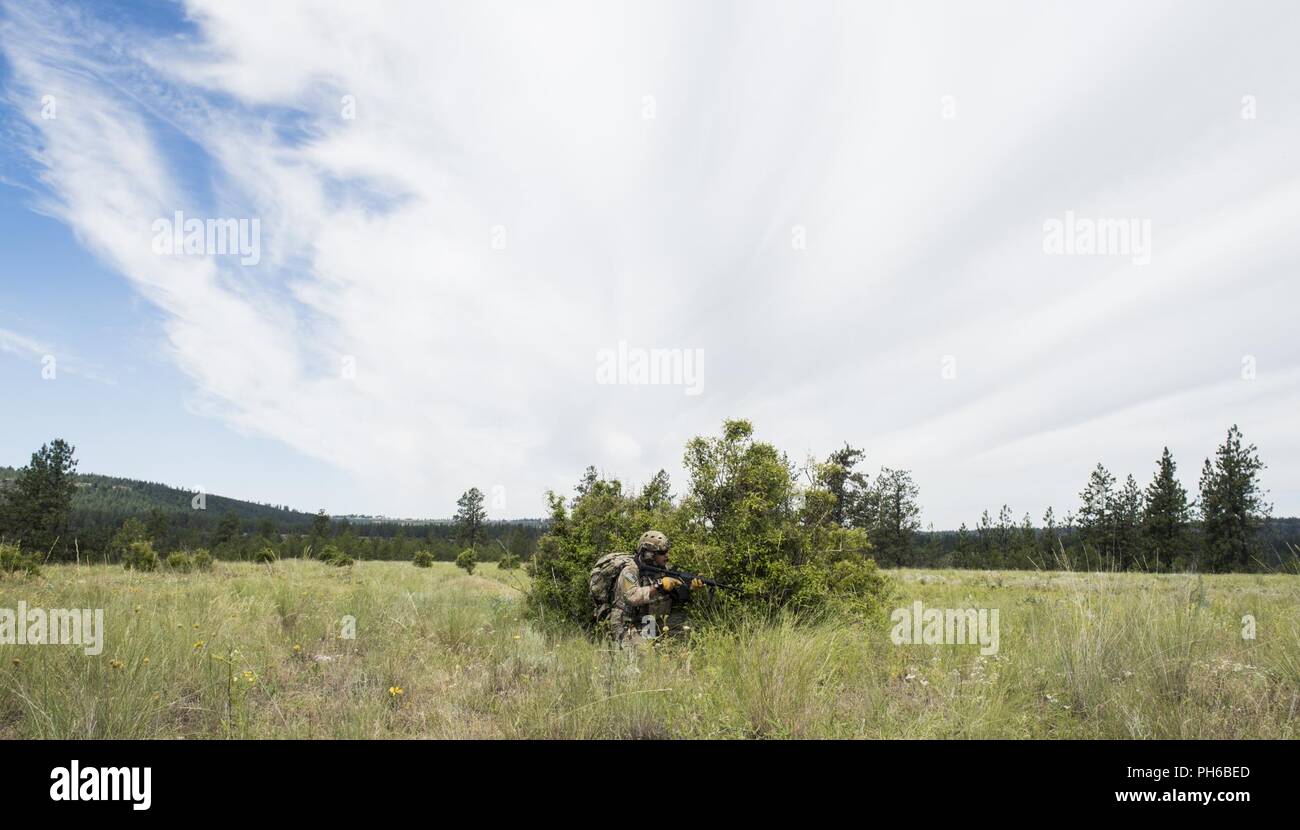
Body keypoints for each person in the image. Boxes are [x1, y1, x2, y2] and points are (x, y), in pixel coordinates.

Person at [609, 530, 704, 649]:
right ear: (649, 554)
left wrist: (690, 587)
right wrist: (659, 585)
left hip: (649, 620)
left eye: (667, 551)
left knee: (688, 639)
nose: (666, 556)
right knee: (645, 654)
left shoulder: (663, 569)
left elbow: (676, 594)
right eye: (662, 552)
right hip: (628, 622)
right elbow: (632, 596)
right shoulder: (630, 571)